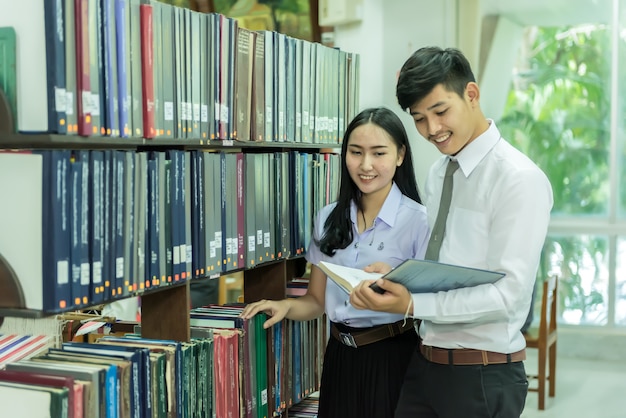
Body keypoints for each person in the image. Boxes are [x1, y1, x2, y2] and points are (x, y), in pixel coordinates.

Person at [350, 47, 554, 418]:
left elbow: (507, 295)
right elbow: (445, 268)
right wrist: (400, 282)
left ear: (471, 95)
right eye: (419, 119)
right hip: (425, 363)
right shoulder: (438, 172)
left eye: (441, 112)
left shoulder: (518, 180)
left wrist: (412, 305)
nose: (432, 130)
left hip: (482, 374)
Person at [240, 107, 430, 418]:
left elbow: (426, 305)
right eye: (356, 152)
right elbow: (316, 300)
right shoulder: (328, 218)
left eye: (378, 153)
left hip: (393, 356)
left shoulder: (419, 222)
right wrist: (287, 306)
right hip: (340, 355)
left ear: (400, 155)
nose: (365, 165)